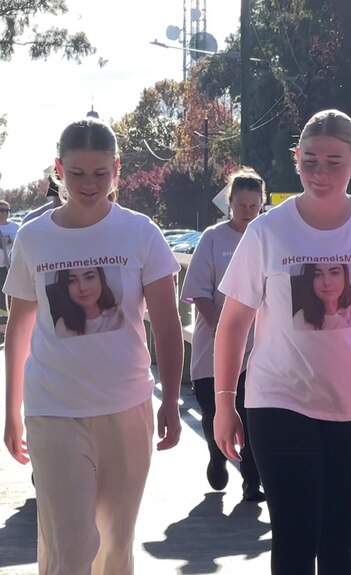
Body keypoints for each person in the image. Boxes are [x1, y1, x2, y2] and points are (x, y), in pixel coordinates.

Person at [213, 109, 351, 575]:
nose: (321, 173)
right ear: (296, 158)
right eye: (311, 161)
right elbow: (234, 320)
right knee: (295, 537)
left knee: (342, 541)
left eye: (335, 162)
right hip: (279, 401)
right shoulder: (267, 230)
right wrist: (224, 402)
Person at [2, 117, 184, 575]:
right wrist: (11, 410)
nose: (89, 184)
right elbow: (19, 327)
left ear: (117, 169)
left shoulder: (141, 233)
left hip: (127, 406)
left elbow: (167, 322)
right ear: (57, 170)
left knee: (113, 545)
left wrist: (173, 402)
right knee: (72, 545)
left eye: (100, 173)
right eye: (77, 173)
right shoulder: (33, 237)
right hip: (53, 408)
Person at [180, 167, 265, 502]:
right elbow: (199, 289)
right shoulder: (214, 239)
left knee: (251, 414)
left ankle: (252, 481)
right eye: (241, 206)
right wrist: (218, 325)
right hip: (214, 346)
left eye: (253, 207)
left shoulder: (266, 236)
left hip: (256, 347)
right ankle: (217, 456)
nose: (247, 213)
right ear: (229, 203)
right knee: (214, 409)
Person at [51, 266, 125, 338]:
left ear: (101, 279)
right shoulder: (63, 326)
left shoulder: (121, 315)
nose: (82, 288)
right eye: (71, 281)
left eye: (89, 277)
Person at [292, 262, 351, 330]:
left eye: (334, 273)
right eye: (317, 275)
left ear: (345, 276)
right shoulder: (301, 320)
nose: (326, 282)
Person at [0, 199, 20, 311]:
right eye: (0, 210)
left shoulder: (16, 227)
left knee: (10, 293)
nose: (2, 213)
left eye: (5, 210)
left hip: (11, 266)